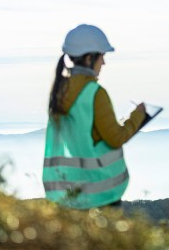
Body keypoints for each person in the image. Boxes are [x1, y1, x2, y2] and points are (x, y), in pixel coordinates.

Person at [42, 24, 146, 208]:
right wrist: (138, 116)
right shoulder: (94, 93)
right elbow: (116, 138)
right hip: (99, 195)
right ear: (89, 58)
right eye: (101, 57)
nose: (103, 63)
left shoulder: (60, 92)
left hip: (68, 193)